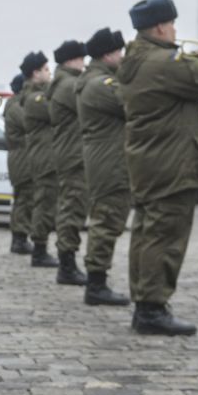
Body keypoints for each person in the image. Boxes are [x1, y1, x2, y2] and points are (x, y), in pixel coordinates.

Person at [117, 0, 198, 336]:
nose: (177, 31)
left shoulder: (136, 60)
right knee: (165, 237)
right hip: (173, 162)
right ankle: (152, 307)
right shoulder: (162, 61)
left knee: (147, 234)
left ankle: (145, 303)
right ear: (162, 27)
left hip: (151, 160)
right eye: (173, 25)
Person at [76, 28, 130, 307]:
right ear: (108, 54)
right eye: (119, 52)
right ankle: (96, 284)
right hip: (109, 162)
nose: (122, 56)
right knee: (106, 221)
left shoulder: (98, 79)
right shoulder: (100, 84)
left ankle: (97, 280)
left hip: (108, 159)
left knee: (108, 220)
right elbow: (132, 101)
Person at [48, 39, 89, 286]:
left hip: (70, 153)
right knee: (72, 209)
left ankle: (68, 262)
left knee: (71, 207)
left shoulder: (63, 83)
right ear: (72, 60)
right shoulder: (68, 85)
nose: (84, 64)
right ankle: (67, 264)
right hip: (73, 156)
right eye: (81, 59)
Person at [20, 54, 59, 267]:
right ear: (35, 73)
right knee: (44, 205)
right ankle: (40, 250)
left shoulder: (38, 94)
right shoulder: (34, 98)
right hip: (44, 159)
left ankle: (41, 248)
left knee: (47, 204)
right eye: (45, 70)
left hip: (47, 156)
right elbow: (55, 110)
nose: (49, 73)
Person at [3, 52, 44, 255]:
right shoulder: (15, 106)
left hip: (23, 157)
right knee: (24, 199)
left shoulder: (15, 104)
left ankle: (21, 236)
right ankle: (19, 238)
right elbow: (29, 124)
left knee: (26, 198)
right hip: (21, 159)